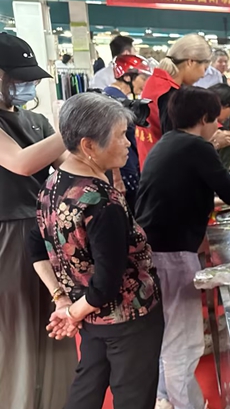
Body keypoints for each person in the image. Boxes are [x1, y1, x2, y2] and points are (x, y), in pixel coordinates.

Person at [35, 92, 163, 409]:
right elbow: (106, 283)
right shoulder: (101, 203)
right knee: (133, 396)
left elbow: (35, 245)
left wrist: (64, 301)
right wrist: (72, 312)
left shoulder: (53, 184)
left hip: (89, 315)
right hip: (127, 319)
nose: (128, 144)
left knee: (86, 389)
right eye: (121, 136)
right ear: (90, 145)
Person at [136, 87, 230, 409]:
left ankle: (163, 397)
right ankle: (184, 403)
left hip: (154, 250)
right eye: (216, 120)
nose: (218, 126)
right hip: (171, 254)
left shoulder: (167, 142)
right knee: (183, 343)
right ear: (204, 119)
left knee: (168, 334)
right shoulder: (197, 146)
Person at [0, 32, 76, 409]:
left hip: (47, 231)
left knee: (56, 318)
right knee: (15, 330)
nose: (24, 85)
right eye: (16, 77)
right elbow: (21, 162)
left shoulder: (37, 120)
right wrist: (74, 130)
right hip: (8, 236)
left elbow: (67, 168)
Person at [137, 34, 229, 169]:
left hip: (150, 165)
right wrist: (213, 142)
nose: (203, 75)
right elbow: (177, 145)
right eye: (204, 68)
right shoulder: (168, 93)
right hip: (165, 172)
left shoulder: (156, 81)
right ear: (191, 62)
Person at [104, 54, 153, 209]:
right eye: (142, 78)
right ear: (127, 77)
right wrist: (117, 178)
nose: (145, 83)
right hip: (123, 173)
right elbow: (109, 140)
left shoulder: (118, 99)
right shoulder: (112, 101)